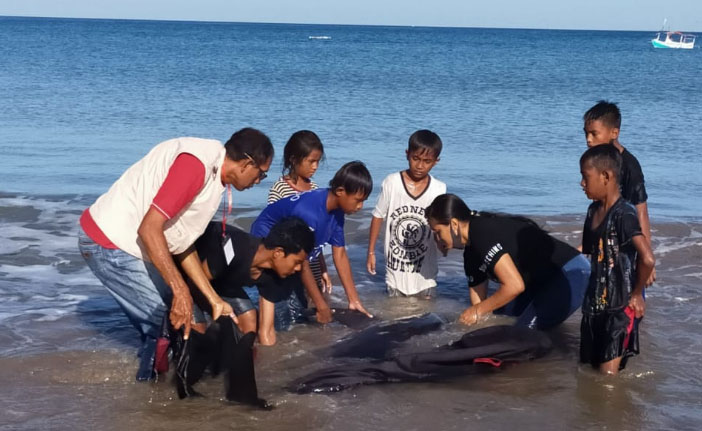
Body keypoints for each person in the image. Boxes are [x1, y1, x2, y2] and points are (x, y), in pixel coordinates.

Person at [78, 128, 273, 380]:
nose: (259, 181)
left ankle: (159, 382)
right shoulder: (196, 166)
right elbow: (149, 229)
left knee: (181, 322)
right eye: (261, 173)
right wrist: (180, 291)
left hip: (135, 245)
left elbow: (181, 243)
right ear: (247, 163)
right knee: (167, 324)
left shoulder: (215, 177)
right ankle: (149, 395)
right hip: (108, 241)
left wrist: (214, 299)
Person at [425, 194, 590, 330]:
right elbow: (480, 306)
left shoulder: (482, 232)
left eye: (438, 232)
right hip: (541, 283)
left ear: (454, 224)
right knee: (500, 315)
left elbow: (514, 286)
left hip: (570, 273)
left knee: (522, 333)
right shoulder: (470, 254)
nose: (436, 238)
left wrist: (476, 311)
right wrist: (470, 324)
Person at [251, 161, 374, 332]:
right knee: (280, 310)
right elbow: (303, 261)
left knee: (299, 307)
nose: (360, 207)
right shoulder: (310, 212)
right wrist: (321, 305)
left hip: (294, 254)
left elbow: (340, 254)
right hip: (269, 247)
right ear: (340, 191)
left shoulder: (337, 212)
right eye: (358, 201)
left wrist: (354, 300)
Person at [578, 145, 655, 374]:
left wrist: (637, 294)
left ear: (606, 176)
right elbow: (591, 251)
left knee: (607, 379)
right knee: (586, 372)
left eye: (585, 177)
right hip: (593, 307)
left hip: (619, 309)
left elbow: (647, 258)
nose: (582, 183)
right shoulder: (592, 211)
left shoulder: (624, 214)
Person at [188, 217, 315, 346]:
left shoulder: (274, 276)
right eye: (297, 262)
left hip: (222, 280)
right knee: (198, 328)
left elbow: (267, 330)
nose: (299, 268)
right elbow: (194, 283)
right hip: (191, 275)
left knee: (249, 319)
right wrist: (213, 307)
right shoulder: (236, 248)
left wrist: (272, 355)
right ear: (278, 252)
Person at [366, 130, 446, 298]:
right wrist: (371, 252)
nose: (420, 166)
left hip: (426, 274)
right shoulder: (392, 182)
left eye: (427, 161)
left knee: (427, 313)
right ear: (407, 154)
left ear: (436, 161)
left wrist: (444, 245)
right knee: (394, 310)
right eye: (415, 158)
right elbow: (378, 215)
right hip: (395, 273)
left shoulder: (439, 189)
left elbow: (439, 226)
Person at [583, 100, 655, 286]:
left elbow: (641, 212)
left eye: (594, 133)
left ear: (614, 133)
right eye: (586, 133)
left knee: (627, 289)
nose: (588, 139)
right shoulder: (596, 162)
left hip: (627, 243)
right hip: (606, 243)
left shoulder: (630, 166)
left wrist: (646, 258)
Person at [266, 130, 331, 294]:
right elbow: (274, 235)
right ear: (294, 159)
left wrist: (323, 268)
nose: (315, 167)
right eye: (311, 161)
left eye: (318, 161)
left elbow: (317, 237)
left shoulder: (315, 190)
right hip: (291, 270)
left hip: (313, 268)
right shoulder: (279, 190)